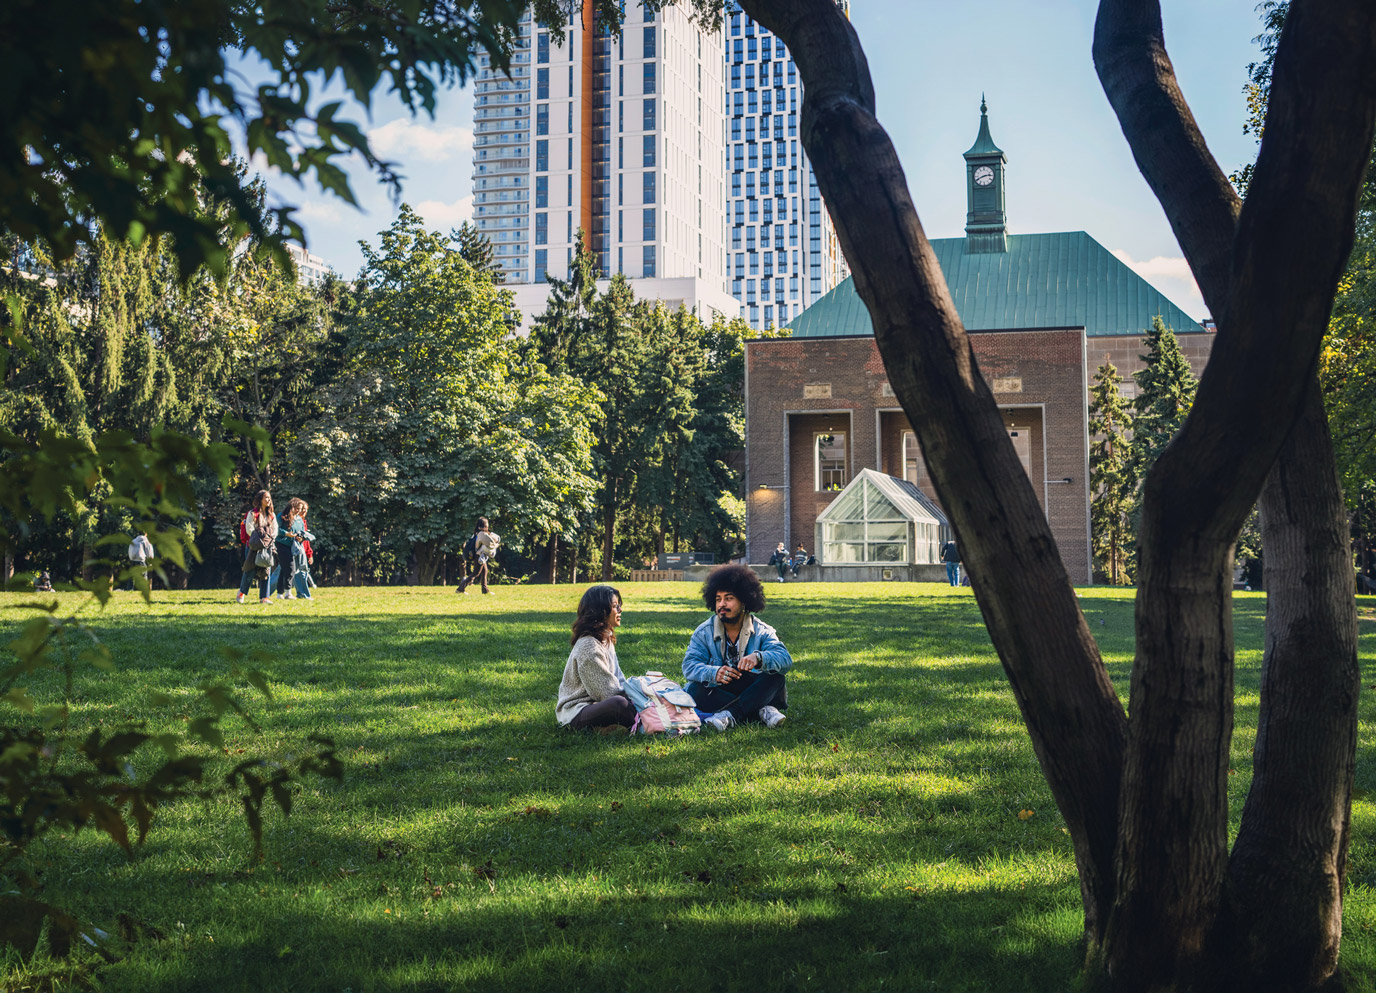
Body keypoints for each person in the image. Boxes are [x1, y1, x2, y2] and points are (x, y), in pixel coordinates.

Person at [682, 564, 792, 731]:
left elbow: (785, 659)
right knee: (694, 689)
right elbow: (689, 666)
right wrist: (714, 673)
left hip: (751, 687)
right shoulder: (703, 632)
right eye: (718, 599)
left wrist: (759, 658)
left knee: (776, 678)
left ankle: (729, 715)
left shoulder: (762, 630)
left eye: (729, 598)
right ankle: (761, 710)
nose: (722, 604)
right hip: (722, 690)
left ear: (744, 601)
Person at [556, 585, 637, 731]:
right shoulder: (589, 646)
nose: (620, 610)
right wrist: (635, 701)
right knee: (619, 704)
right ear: (600, 611)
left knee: (635, 699)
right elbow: (606, 692)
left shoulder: (606, 639)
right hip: (576, 712)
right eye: (615, 606)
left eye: (620, 605)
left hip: (597, 704)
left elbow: (618, 679)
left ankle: (609, 727)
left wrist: (639, 692)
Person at [238, 490, 279, 604]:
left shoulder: (272, 515)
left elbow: (275, 529)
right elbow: (249, 529)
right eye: (266, 498)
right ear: (260, 499)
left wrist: (269, 539)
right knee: (249, 570)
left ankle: (264, 597)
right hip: (254, 546)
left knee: (266, 571)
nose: (268, 500)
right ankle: (241, 592)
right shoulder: (252, 513)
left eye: (269, 498)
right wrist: (260, 538)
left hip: (267, 547)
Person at [458, 517, 500, 595]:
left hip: (480, 556)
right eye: (486, 526)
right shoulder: (482, 534)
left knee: (485, 571)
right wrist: (497, 543)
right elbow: (490, 545)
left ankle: (485, 590)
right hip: (479, 556)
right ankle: (460, 589)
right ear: (482, 526)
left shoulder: (477, 534)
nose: (487, 528)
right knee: (475, 574)